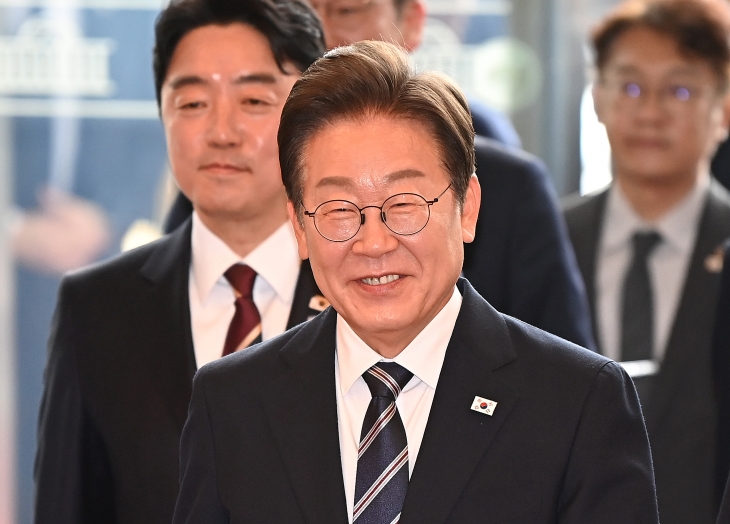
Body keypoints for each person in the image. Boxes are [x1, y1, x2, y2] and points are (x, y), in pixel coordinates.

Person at [173, 40, 659, 524]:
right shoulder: (232, 403)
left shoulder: (577, 401)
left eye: (404, 204)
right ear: (299, 226)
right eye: (339, 209)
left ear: (467, 208)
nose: (374, 242)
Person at [33, 0, 326, 522]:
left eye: (253, 100)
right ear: (162, 113)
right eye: (192, 103)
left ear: (310, 115)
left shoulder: (363, 290)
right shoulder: (96, 308)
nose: (221, 131)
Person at [562, 1, 730, 523]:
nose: (650, 112)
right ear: (597, 97)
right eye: (630, 87)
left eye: (679, 90)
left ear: (723, 110)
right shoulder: (549, 238)